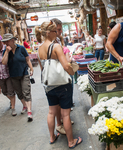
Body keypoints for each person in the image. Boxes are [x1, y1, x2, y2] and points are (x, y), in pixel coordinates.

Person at [35, 20, 82, 148]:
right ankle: (71, 141)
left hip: (48, 85)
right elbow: (66, 65)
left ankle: (52, 137)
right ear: (49, 32)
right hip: (61, 84)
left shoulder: (39, 49)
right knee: (66, 114)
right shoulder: (56, 47)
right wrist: (72, 72)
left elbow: (43, 68)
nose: (57, 33)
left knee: (51, 112)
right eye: (55, 31)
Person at [2, 33, 34, 122]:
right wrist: (7, 52)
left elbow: (27, 59)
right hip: (13, 75)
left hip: (24, 73)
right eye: (5, 42)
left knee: (26, 91)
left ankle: (29, 111)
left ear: (12, 40)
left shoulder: (21, 48)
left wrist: (31, 69)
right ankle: (25, 105)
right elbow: (4, 62)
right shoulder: (5, 51)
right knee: (19, 93)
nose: (6, 43)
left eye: (7, 41)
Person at [51, 18, 74, 135]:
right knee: (60, 106)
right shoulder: (53, 44)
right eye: (58, 29)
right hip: (59, 78)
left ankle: (63, 123)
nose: (60, 32)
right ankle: (61, 125)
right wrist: (71, 71)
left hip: (53, 79)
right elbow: (65, 63)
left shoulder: (53, 42)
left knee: (55, 107)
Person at [0, 34, 16, 116]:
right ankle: (12, 101)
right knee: (5, 92)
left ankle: (13, 108)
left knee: (11, 92)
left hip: (8, 74)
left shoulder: (7, 49)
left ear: (2, 41)